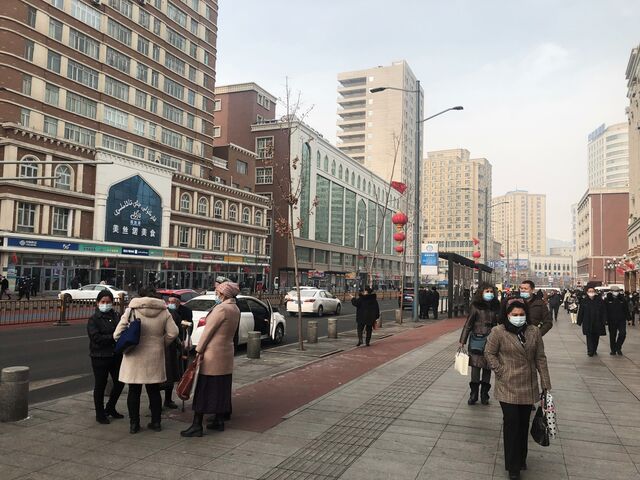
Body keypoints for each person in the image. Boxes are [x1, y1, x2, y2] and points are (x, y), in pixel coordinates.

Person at [485, 299, 552, 480]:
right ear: (507, 315)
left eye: (521, 315)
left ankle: (521, 459)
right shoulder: (498, 332)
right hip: (507, 384)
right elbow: (489, 353)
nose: (518, 318)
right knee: (512, 423)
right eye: (514, 315)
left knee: (523, 424)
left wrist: (546, 384)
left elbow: (540, 358)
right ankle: (512, 466)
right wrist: (500, 370)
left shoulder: (534, 332)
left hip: (528, 385)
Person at [114, 286, 178, 434]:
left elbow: (117, 334)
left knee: (134, 391)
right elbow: (173, 332)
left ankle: (134, 424)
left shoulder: (132, 310)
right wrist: (161, 343)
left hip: (134, 355)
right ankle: (156, 422)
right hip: (154, 355)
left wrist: (128, 342)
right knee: (154, 390)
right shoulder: (164, 311)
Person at [180, 282, 241, 437]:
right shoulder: (235, 308)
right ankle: (219, 420)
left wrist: (198, 350)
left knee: (204, 389)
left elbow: (208, 331)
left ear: (224, 294)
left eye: (217, 291)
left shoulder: (221, 309)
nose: (216, 294)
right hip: (226, 353)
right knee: (221, 388)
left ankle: (197, 424)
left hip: (212, 354)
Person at [87, 290, 125, 424]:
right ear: (97, 303)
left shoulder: (116, 316)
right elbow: (96, 338)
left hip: (115, 355)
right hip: (99, 356)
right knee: (100, 385)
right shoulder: (94, 319)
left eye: (108, 302)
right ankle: (100, 413)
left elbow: (122, 330)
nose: (105, 304)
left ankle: (110, 407)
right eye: (103, 302)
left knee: (120, 382)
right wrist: (113, 337)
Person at [458, 283, 499, 405]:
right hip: (477, 339)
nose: (489, 293)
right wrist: (462, 341)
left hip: (492, 340)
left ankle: (484, 394)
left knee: (488, 367)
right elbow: (468, 324)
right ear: (481, 292)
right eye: (487, 291)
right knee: (475, 367)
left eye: (491, 291)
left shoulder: (496, 306)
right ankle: (474, 394)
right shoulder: (475, 306)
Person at [162, 294, 193, 409]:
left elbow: (188, 326)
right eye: (169, 301)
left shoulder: (185, 311)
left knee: (175, 372)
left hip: (178, 345)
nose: (171, 304)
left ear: (179, 302)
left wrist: (186, 338)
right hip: (167, 345)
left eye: (174, 301)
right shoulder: (164, 312)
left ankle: (169, 399)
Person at [577, 286, 607, 357]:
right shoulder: (584, 301)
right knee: (589, 337)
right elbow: (581, 312)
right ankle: (590, 351)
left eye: (592, 291)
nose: (591, 293)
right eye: (589, 291)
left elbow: (604, 311)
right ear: (587, 292)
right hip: (588, 321)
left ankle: (594, 349)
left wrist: (604, 320)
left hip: (598, 322)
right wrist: (579, 321)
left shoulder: (600, 301)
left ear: (595, 292)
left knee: (596, 337)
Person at [604, 286, 629, 356]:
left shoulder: (622, 299)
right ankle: (613, 350)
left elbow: (626, 309)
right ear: (611, 291)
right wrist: (605, 319)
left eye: (617, 290)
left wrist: (629, 319)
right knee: (612, 336)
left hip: (621, 320)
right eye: (614, 291)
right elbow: (605, 310)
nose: (616, 292)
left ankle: (618, 347)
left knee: (623, 333)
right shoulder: (607, 299)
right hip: (611, 320)